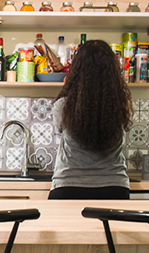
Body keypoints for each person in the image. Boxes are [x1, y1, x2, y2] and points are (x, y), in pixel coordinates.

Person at [49, 40, 133, 200]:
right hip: (114, 188)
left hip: (69, 186)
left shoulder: (63, 105)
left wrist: (67, 88)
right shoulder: (121, 104)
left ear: (76, 71)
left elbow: (60, 130)